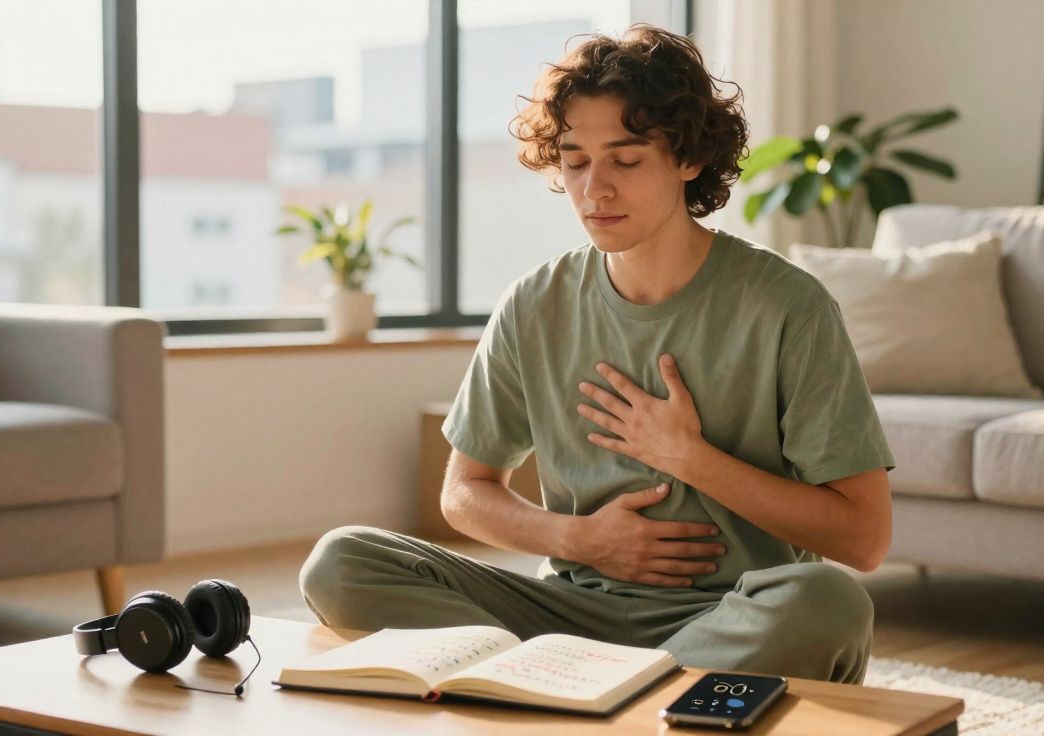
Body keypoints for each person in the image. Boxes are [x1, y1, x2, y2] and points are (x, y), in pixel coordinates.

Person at [299, 24, 895, 685]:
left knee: (828, 604)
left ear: (688, 159)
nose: (594, 190)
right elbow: (464, 491)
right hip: (568, 612)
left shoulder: (788, 305)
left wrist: (690, 459)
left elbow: (863, 539)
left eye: (626, 159)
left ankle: (574, 695)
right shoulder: (535, 303)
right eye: (576, 161)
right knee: (341, 560)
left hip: (727, 615)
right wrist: (577, 540)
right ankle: (577, 689)